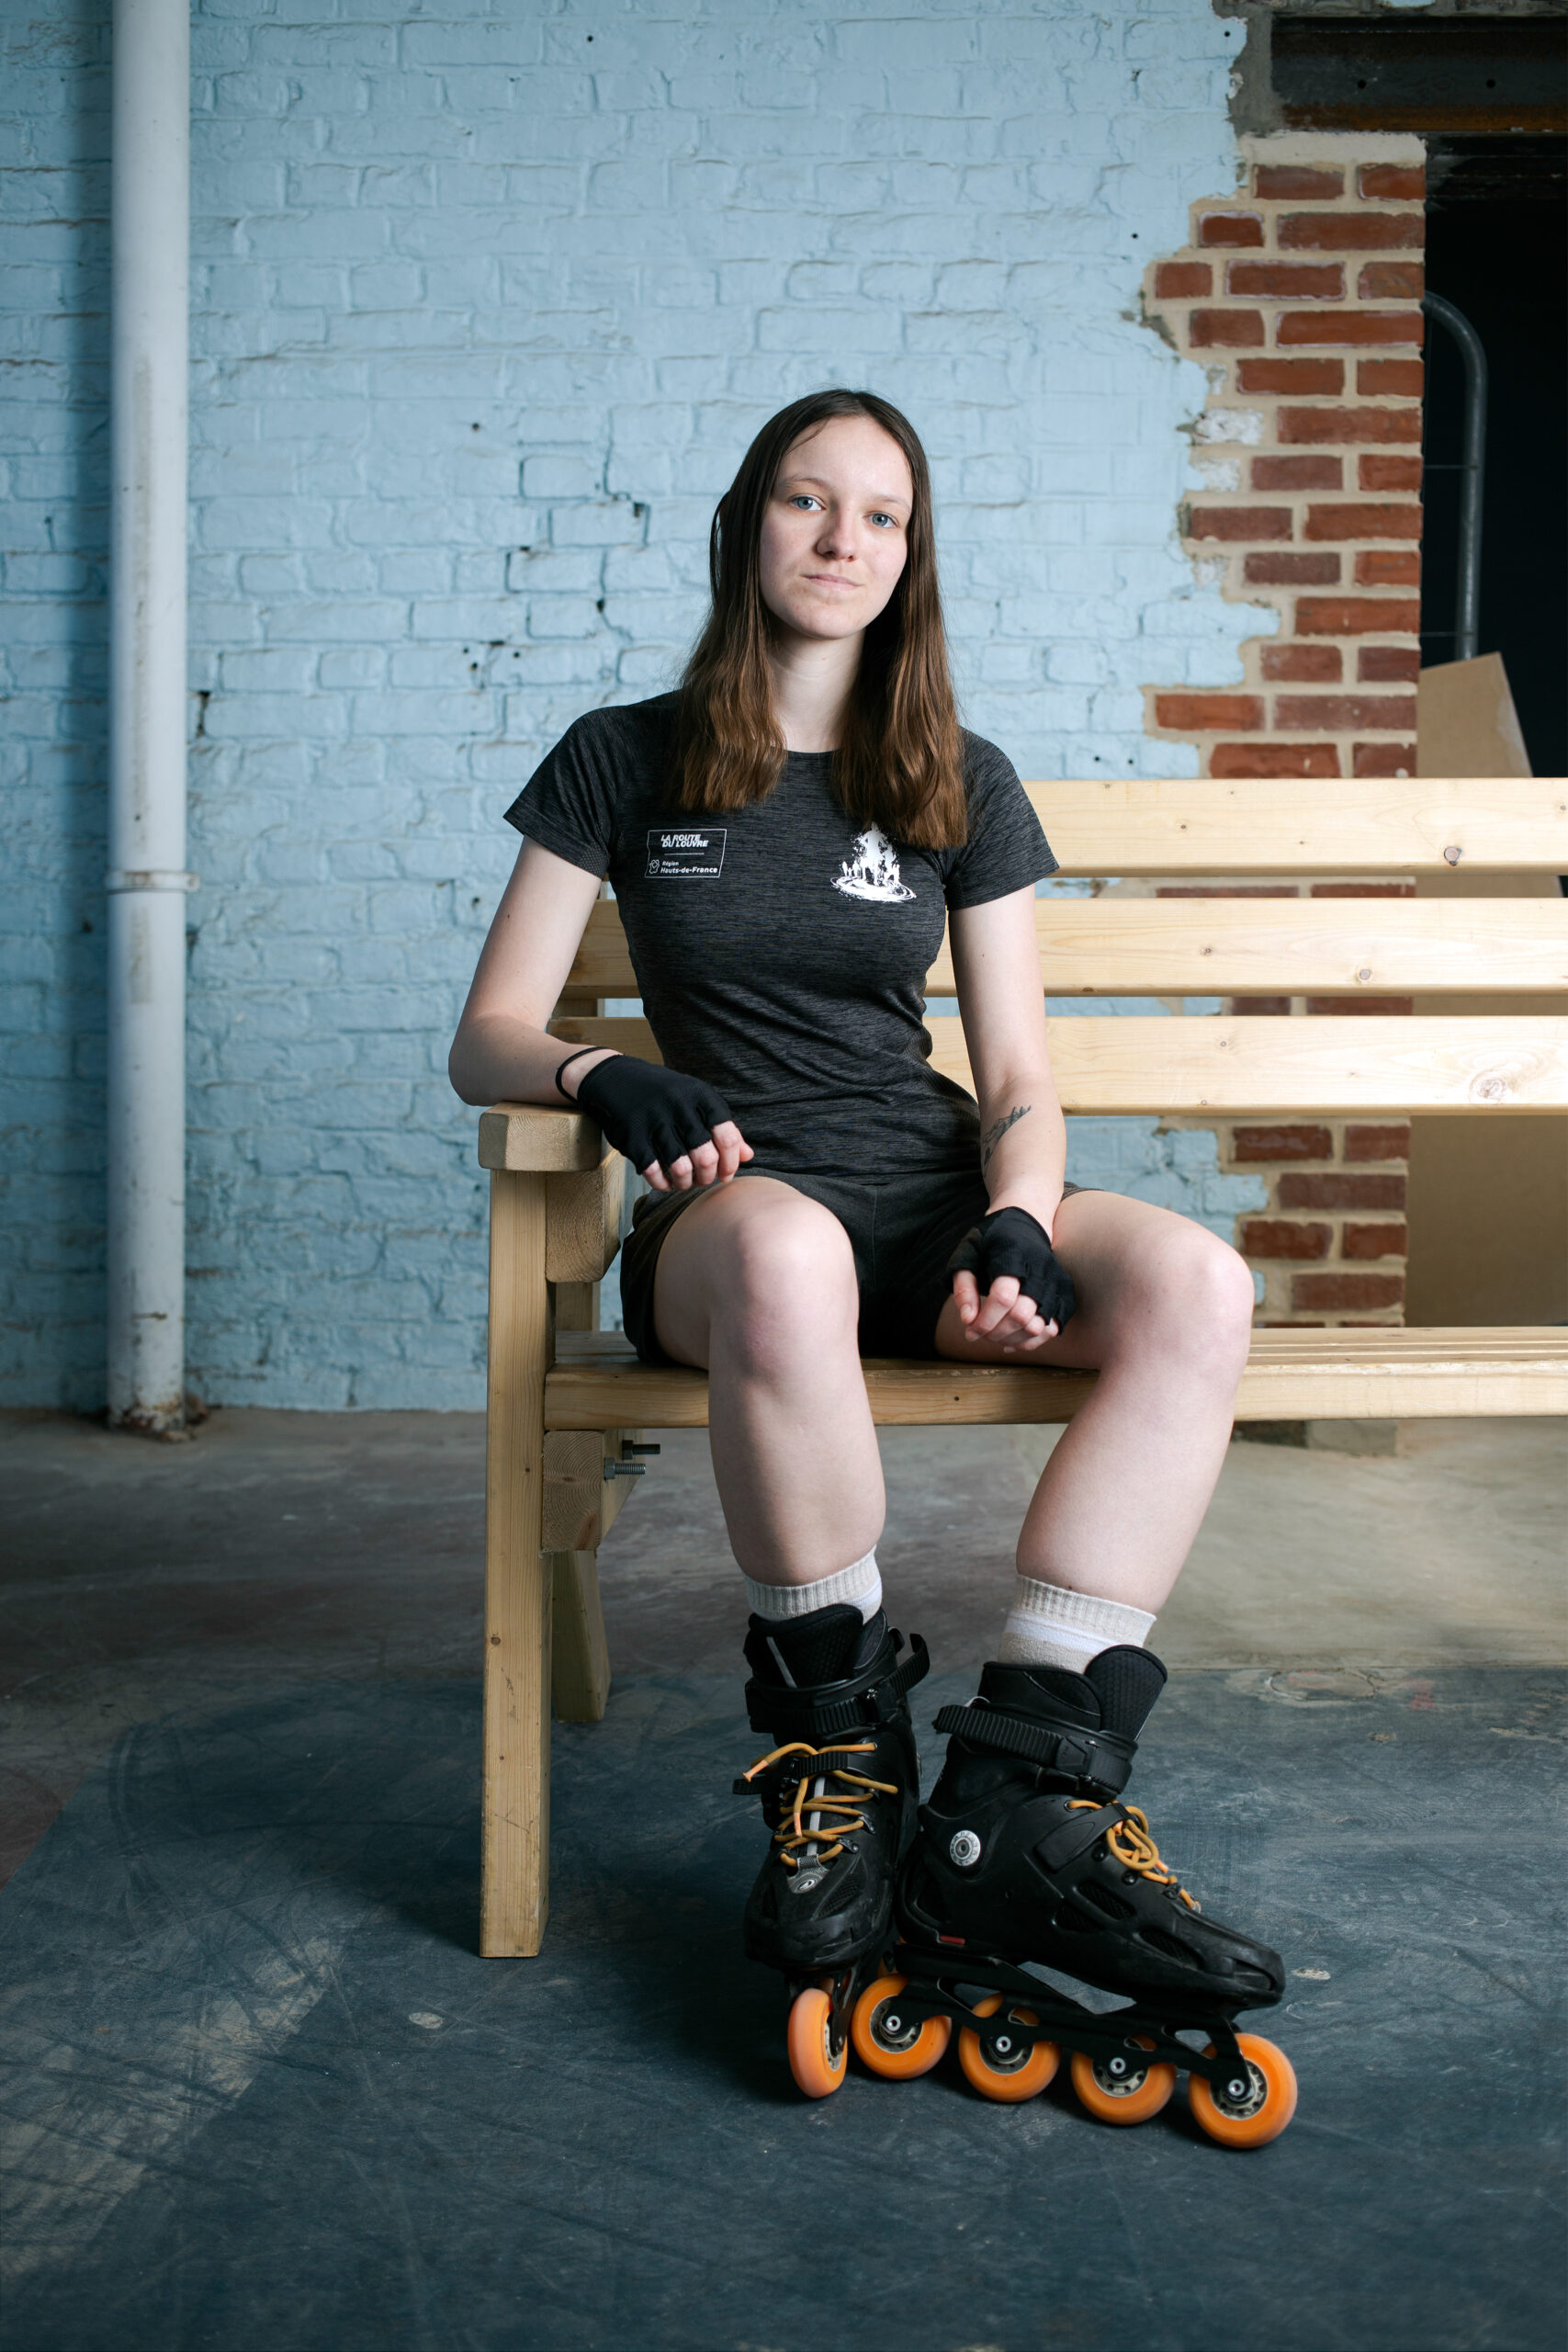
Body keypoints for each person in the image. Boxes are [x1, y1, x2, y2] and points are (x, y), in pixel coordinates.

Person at [450, 388, 1284, 2091]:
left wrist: (1019, 1221)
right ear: (748, 526)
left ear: (913, 557)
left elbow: (1023, 1080)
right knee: (786, 1254)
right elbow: (491, 1034)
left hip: (924, 1198)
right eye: (808, 503)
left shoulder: (953, 777)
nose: (843, 541)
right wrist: (605, 1073)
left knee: (1200, 1281)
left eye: (881, 516)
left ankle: (1021, 1798)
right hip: (734, 1223)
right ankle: (839, 1756)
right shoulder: (622, 753)